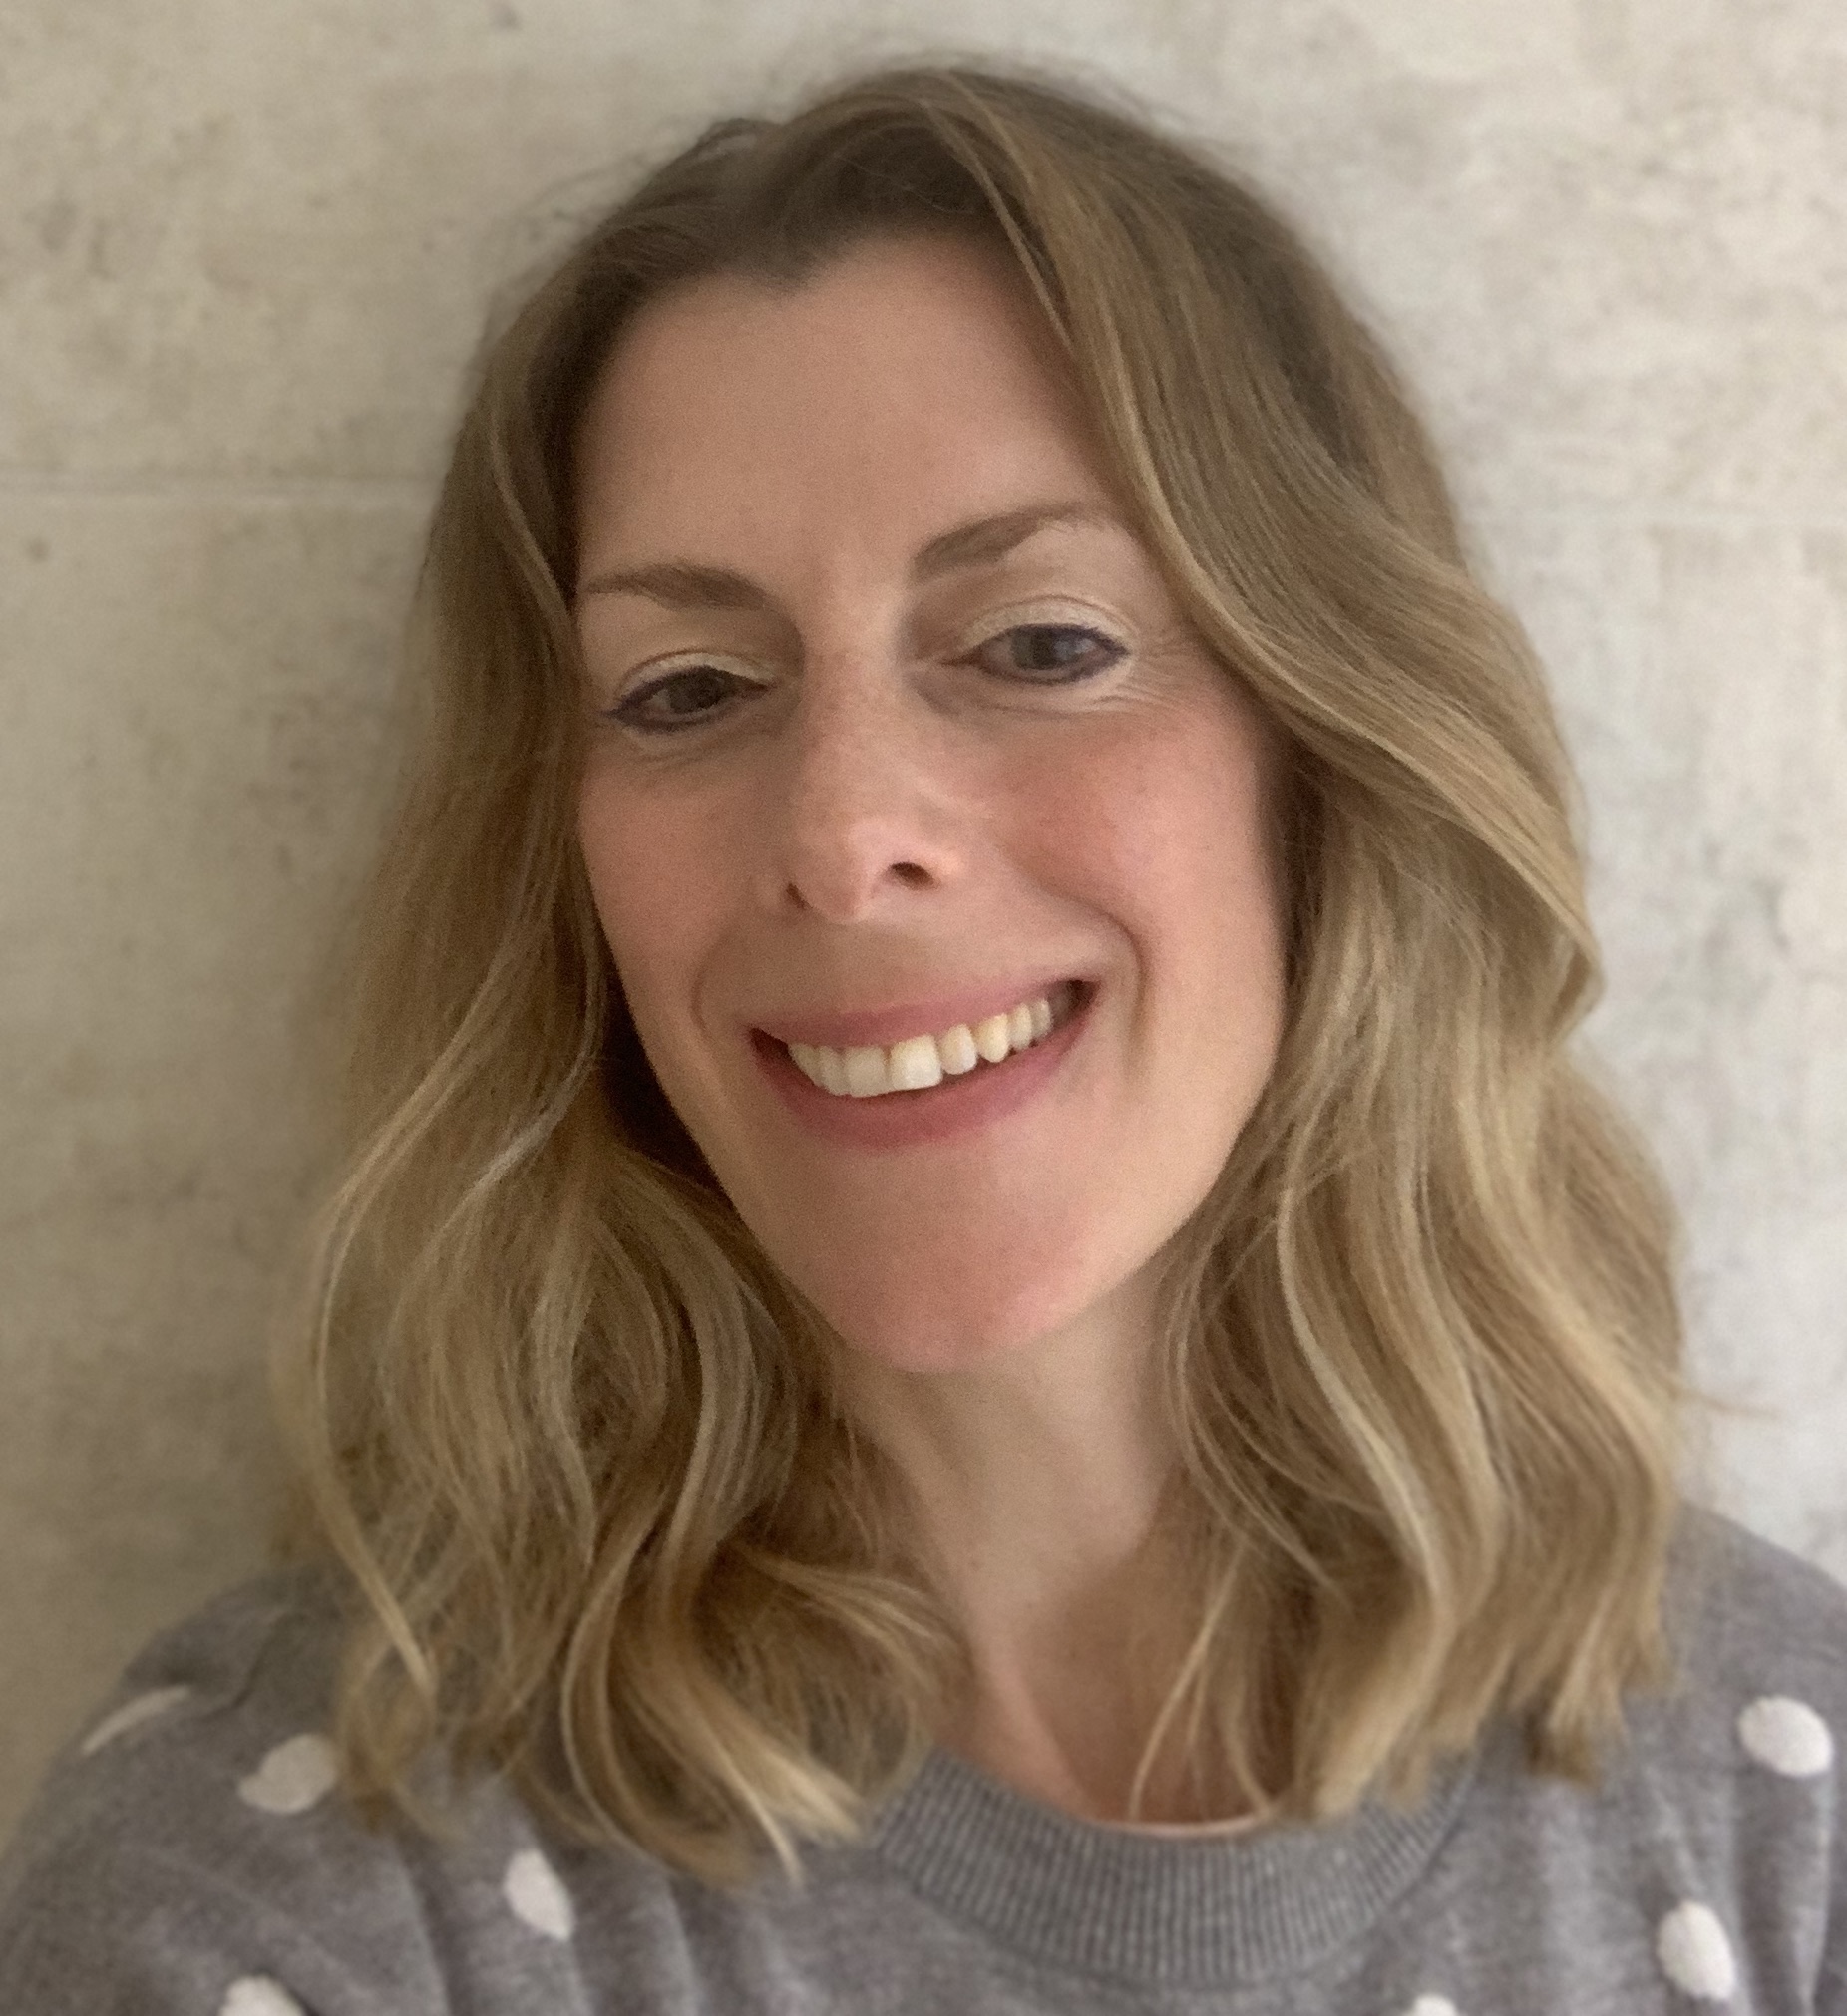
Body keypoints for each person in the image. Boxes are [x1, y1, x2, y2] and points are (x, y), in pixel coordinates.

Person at [1, 56, 1843, 2016]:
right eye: (689, 686)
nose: (837, 834)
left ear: (1330, 761)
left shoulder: (1778, 1824)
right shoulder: (298, 1880)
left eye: (1040, 644)